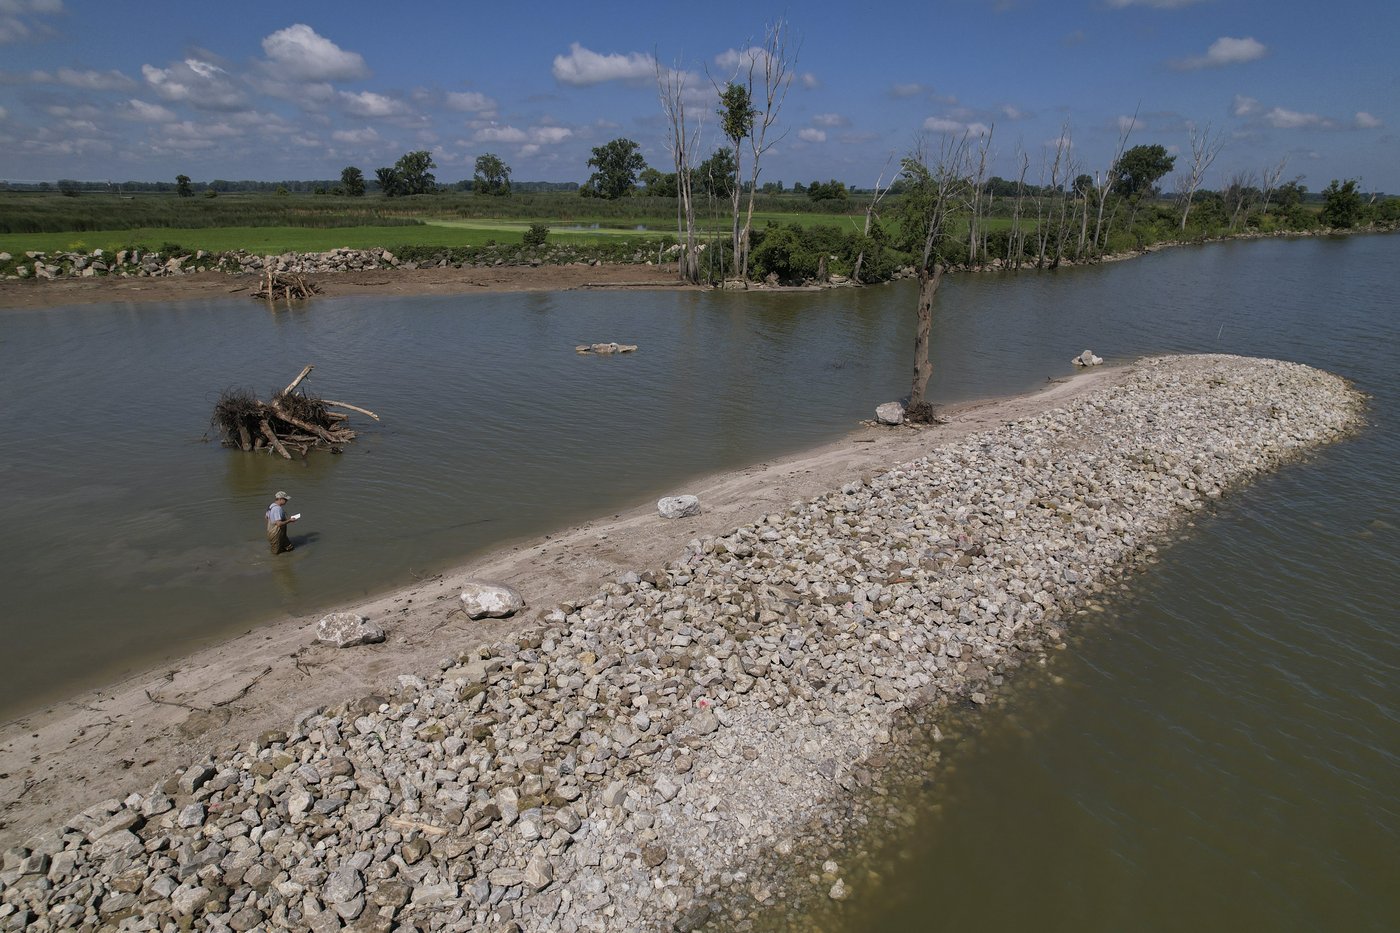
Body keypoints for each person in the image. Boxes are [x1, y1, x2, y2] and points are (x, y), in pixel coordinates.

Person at [266, 490, 299, 555]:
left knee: (290, 548)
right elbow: (279, 524)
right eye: (285, 499)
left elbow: (266, 517)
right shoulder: (277, 509)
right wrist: (290, 520)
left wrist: (272, 525)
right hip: (276, 534)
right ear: (280, 499)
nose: (287, 501)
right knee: (276, 554)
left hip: (274, 532)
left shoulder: (271, 505)